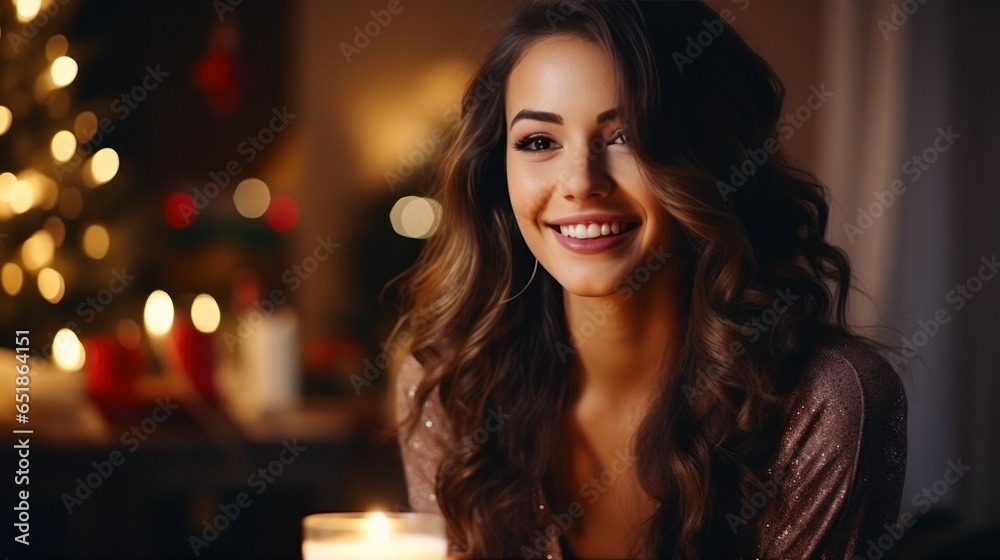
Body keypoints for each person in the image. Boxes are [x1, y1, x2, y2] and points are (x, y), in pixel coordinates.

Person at [389, 1, 907, 558]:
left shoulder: (824, 403)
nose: (581, 183)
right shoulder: (451, 386)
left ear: (711, 159)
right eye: (539, 142)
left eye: (627, 136)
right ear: (499, 170)